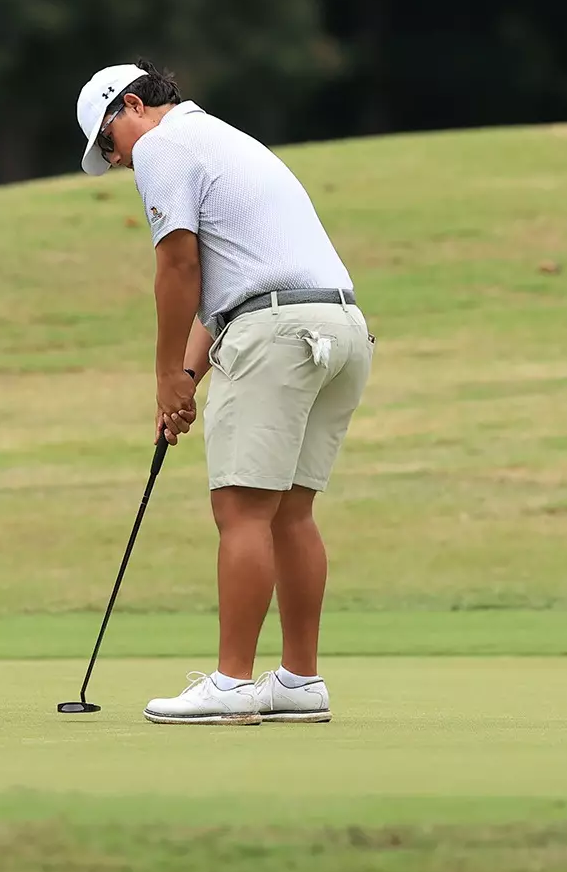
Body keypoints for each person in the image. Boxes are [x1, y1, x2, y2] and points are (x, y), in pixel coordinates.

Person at [73, 59, 374, 725]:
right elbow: (230, 288)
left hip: (276, 332)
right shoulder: (223, 141)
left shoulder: (163, 145)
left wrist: (163, 374)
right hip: (340, 328)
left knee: (241, 512)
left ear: (132, 107)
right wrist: (184, 382)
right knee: (290, 513)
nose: (116, 160)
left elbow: (178, 266)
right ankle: (299, 683)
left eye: (107, 143)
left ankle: (232, 684)